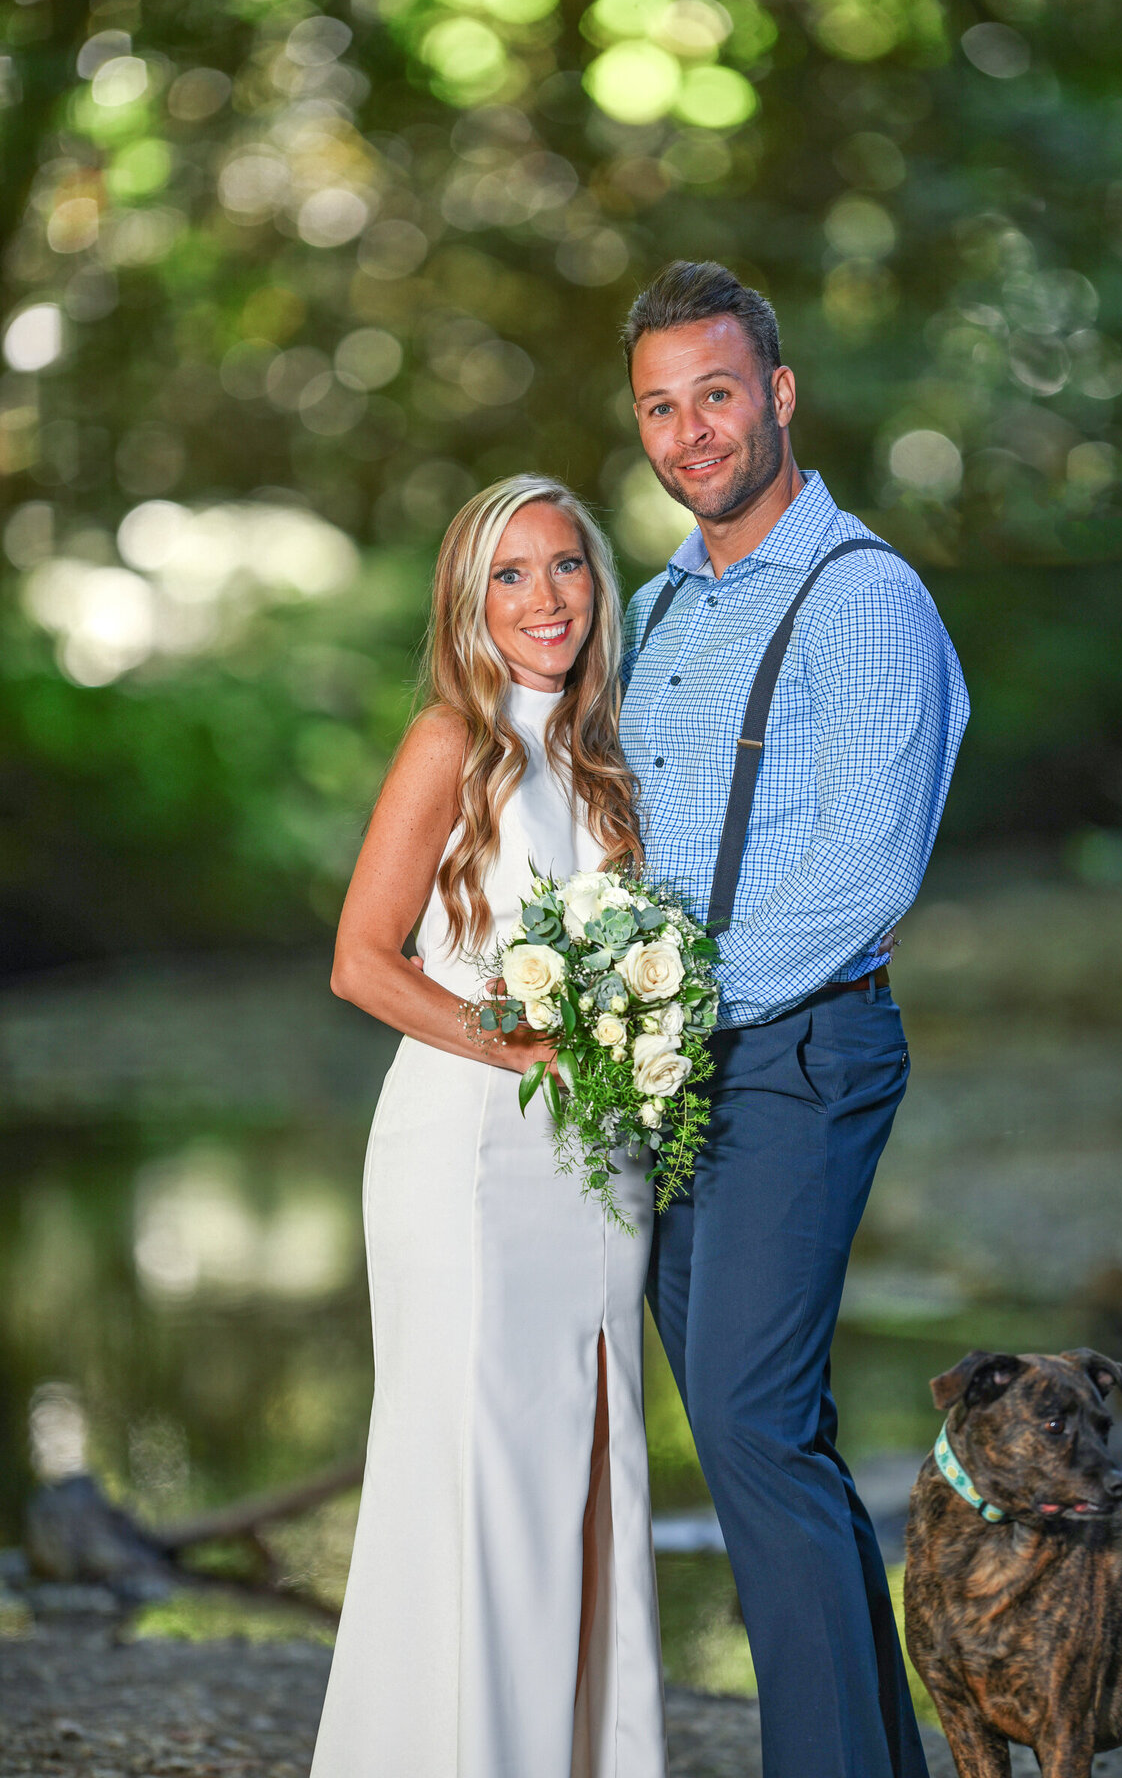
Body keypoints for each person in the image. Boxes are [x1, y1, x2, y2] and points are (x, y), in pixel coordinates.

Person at [619, 261, 969, 1778]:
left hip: (798, 1047)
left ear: (779, 395)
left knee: (756, 1435)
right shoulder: (644, 609)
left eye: (716, 393)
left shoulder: (866, 594)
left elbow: (867, 869)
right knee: (769, 1446)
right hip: (665, 1069)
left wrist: (682, 1015)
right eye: (658, 405)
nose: (691, 432)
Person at [310, 475, 669, 1778]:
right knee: (474, 1464)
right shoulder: (447, 742)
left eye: (565, 567)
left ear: (598, 586)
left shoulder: (616, 759)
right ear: (469, 600)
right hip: (466, 1154)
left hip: (597, 1167)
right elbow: (363, 959)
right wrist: (509, 1040)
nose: (544, 599)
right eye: (510, 575)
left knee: (587, 1455)